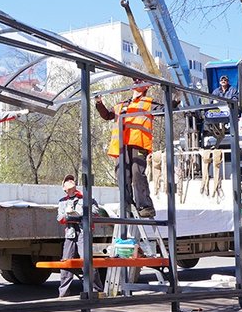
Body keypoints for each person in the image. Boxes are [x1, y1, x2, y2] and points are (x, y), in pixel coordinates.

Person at [95, 78, 163, 219]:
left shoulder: (149, 103)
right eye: (135, 81)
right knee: (122, 176)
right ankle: (126, 205)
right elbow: (107, 115)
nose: (136, 83)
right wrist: (99, 103)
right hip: (121, 146)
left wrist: (176, 99)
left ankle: (145, 206)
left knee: (137, 174)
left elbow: (165, 110)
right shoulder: (122, 104)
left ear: (146, 87)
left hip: (138, 144)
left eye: (140, 81)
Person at [57, 176, 103, 297]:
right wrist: (67, 216)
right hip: (70, 233)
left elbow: (95, 212)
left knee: (87, 261)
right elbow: (59, 218)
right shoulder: (62, 201)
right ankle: (63, 293)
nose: (70, 182)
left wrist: (79, 214)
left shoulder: (86, 197)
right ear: (65, 189)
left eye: (71, 181)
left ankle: (96, 290)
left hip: (84, 232)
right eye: (67, 181)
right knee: (66, 262)